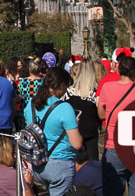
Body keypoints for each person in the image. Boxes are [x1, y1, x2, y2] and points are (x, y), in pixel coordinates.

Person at [24, 67, 83, 195]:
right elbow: (77, 143)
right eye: (66, 86)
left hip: (38, 164)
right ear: (61, 85)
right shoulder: (65, 108)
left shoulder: (31, 104)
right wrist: (75, 126)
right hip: (60, 165)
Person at [98, 56, 135, 196]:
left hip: (114, 146)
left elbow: (101, 114)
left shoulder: (107, 88)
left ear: (118, 69)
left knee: (112, 191)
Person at [64, 59, 102, 161]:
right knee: (92, 166)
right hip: (91, 133)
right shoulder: (96, 92)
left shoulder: (69, 92)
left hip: (73, 133)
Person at [16, 57, 45, 130]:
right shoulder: (43, 83)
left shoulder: (22, 82)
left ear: (29, 69)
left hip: (25, 112)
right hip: (40, 111)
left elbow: (18, 97)